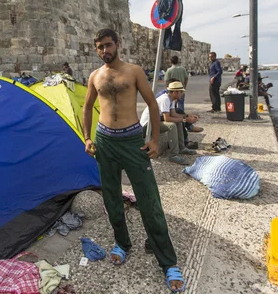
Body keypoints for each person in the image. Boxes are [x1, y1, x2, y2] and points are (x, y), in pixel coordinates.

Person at [82, 28, 185, 292]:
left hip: (131, 140)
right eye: (99, 47)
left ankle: (168, 261)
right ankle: (122, 243)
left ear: (118, 44)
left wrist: (152, 140)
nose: (104, 50)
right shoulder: (95, 76)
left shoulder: (134, 71)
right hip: (105, 141)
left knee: (149, 199)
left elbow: (152, 104)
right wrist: (87, 138)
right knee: (112, 198)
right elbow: (86, 108)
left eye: (108, 45)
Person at [140, 81, 197, 165]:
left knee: (178, 122)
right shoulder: (165, 99)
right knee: (172, 125)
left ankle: (181, 148)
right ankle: (174, 155)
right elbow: (167, 119)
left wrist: (187, 117)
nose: (182, 94)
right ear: (175, 92)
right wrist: (185, 120)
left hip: (155, 122)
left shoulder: (171, 99)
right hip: (148, 125)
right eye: (181, 92)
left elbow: (174, 114)